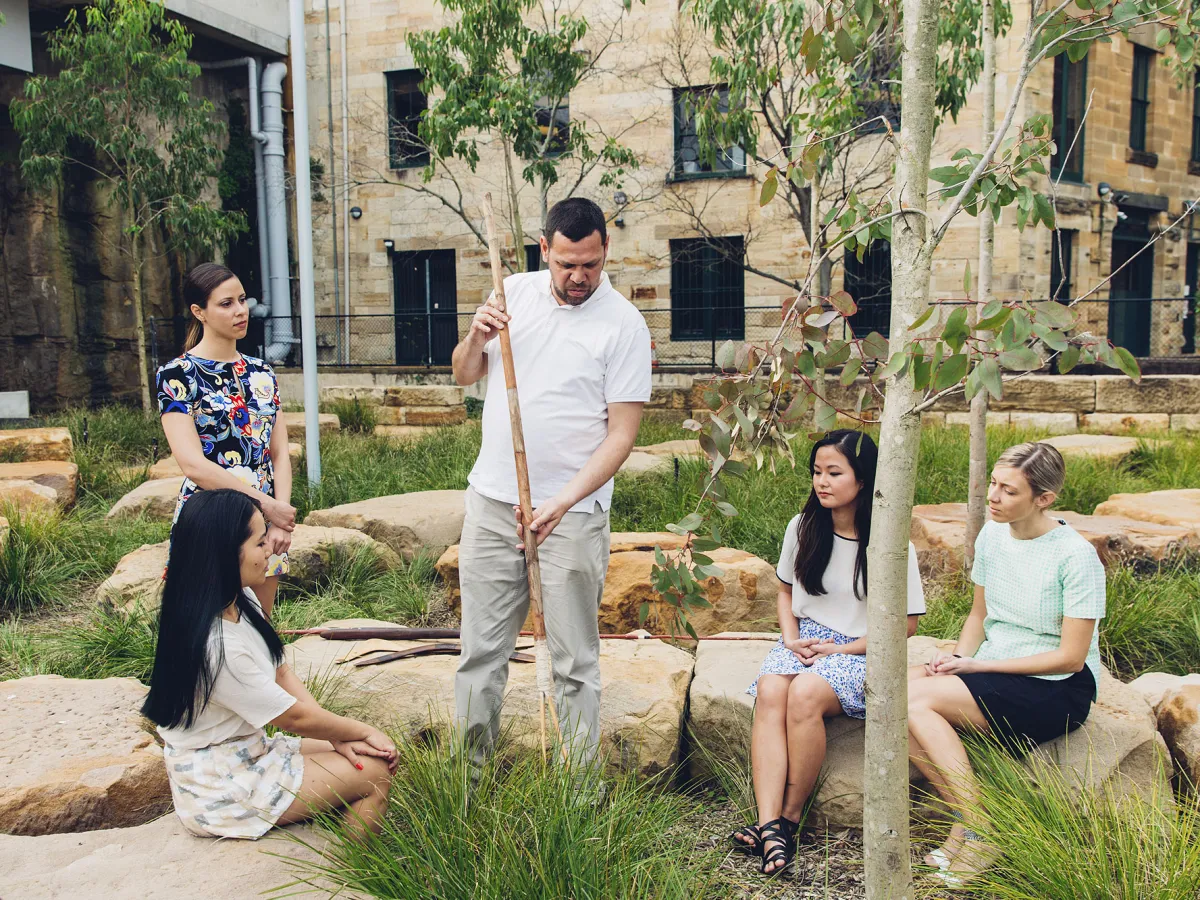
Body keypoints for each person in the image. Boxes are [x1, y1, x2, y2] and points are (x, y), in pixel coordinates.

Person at [451, 197, 651, 773]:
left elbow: (621, 436)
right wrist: (474, 335)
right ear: (546, 251)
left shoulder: (624, 325)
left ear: (605, 250)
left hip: (573, 513)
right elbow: (465, 374)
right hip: (493, 501)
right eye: (567, 264)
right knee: (481, 653)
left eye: (590, 263)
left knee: (573, 661)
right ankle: (469, 784)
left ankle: (579, 796)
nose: (579, 276)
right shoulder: (510, 293)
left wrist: (563, 502)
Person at [142, 489, 397, 839]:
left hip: (248, 751)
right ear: (224, 554)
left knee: (357, 751)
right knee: (376, 768)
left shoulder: (237, 597)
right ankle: (348, 877)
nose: (271, 551)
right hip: (222, 785)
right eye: (260, 544)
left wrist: (339, 736)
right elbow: (292, 718)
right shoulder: (217, 646)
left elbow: (280, 670)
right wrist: (360, 730)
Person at [908, 441, 1105, 886]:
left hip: (1056, 685)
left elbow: (1072, 657)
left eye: (1008, 491)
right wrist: (960, 657)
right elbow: (979, 615)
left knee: (913, 703)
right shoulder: (993, 534)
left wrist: (978, 669)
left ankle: (981, 830)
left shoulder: (1075, 556)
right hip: (994, 664)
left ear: (1044, 499)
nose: (993, 497)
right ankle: (967, 819)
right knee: (888, 693)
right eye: (993, 484)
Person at [734, 430, 926, 876]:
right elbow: (785, 592)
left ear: (863, 480)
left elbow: (906, 624)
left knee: (804, 695)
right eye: (817, 472)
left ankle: (790, 818)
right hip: (806, 638)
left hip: (862, 648)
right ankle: (769, 825)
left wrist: (844, 647)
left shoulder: (891, 543)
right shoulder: (802, 527)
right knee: (770, 689)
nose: (822, 481)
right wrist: (789, 638)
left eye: (834, 473)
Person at [156, 263, 296, 616]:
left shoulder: (263, 372)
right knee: (211, 629)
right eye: (226, 303)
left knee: (263, 625)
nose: (240, 311)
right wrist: (268, 505)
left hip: (267, 525)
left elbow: (279, 453)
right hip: (211, 519)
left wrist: (279, 518)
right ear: (198, 312)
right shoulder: (177, 375)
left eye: (242, 300)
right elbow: (192, 465)